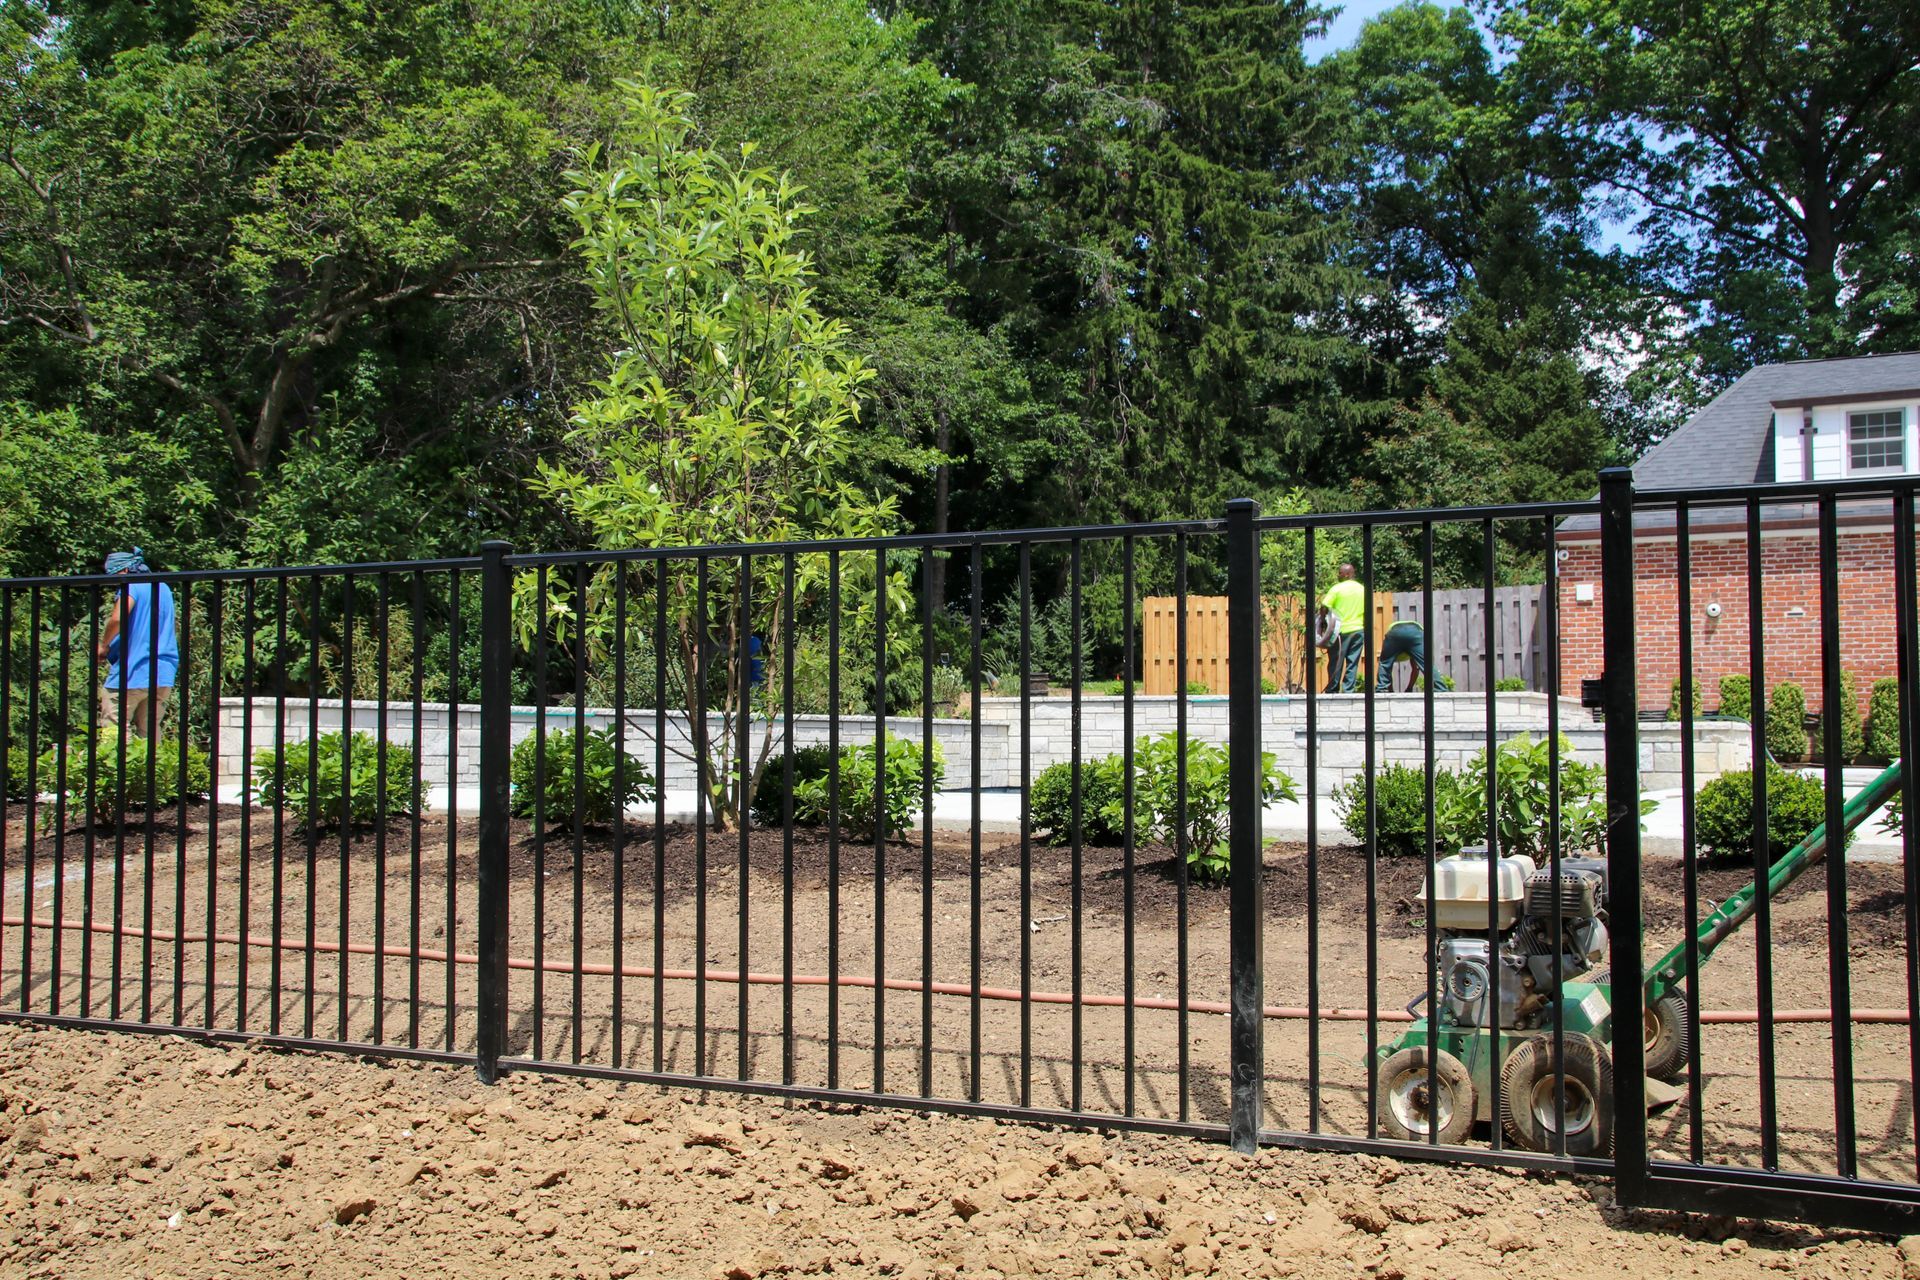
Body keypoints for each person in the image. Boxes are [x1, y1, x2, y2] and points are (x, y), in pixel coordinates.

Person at [96, 548, 179, 736]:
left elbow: (118, 618)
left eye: (114, 577)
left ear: (124, 571)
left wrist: (104, 645)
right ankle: (151, 766)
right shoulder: (162, 587)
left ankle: (117, 765)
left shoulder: (132, 585)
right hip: (163, 672)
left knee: (113, 727)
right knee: (149, 730)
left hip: (133, 669)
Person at [1319, 563, 1366, 693]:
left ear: (1346, 574)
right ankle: (1348, 691)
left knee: (1335, 661)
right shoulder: (1362, 589)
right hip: (1358, 630)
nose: (1338, 575)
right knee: (1353, 662)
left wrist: (1322, 622)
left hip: (1340, 631)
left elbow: (1324, 606)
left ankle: (1333, 690)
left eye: (1340, 573)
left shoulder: (1337, 589)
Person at [1374, 619, 1453, 693]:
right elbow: (1415, 669)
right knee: (1426, 664)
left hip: (1395, 632)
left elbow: (1387, 668)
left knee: (1385, 664)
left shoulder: (1393, 652)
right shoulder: (1414, 650)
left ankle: (1381, 689)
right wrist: (1410, 688)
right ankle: (1440, 688)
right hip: (1415, 632)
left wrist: (1390, 690)